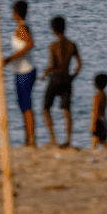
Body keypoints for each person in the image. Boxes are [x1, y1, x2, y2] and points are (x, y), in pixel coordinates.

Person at [1, 0, 38, 147]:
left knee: (26, 105)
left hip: (25, 71)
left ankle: (31, 138)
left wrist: (10, 58)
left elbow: (30, 44)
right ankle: (27, 138)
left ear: (16, 13)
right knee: (23, 105)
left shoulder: (22, 28)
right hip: (20, 71)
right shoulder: (21, 27)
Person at [41, 15, 82, 147]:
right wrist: (73, 76)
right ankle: (68, 140)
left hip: (55, 78)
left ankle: (53, 139)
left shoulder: (53, 46)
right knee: (67, 111)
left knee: (46, 108)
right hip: (66, 78)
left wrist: (45, 73)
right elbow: (80, 64)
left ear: (53, 30)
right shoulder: (72, 45)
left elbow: (53, 65)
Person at [90, 73, 107, 149]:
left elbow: (95, 111)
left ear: (96, 85)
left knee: (95, 138)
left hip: (98, 120)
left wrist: (93, 124)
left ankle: (93, 150)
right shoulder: (105, 95)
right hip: (104, 120)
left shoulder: (96, 97)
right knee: (103, 139)